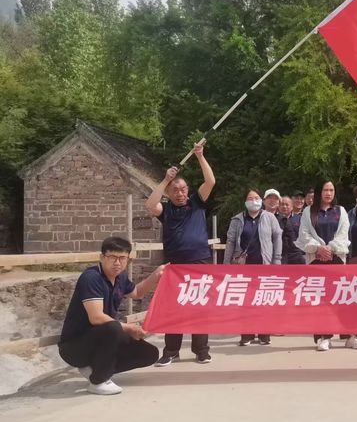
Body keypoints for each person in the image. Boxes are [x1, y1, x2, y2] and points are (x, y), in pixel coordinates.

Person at [58, 237, 164, 395]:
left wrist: (156, 275)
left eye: (122, 258)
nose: (117, 263)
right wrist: (129, 328)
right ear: (102, 257)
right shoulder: (92, 278)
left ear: (128, 259)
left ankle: (96, 369)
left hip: (102, 339)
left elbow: (137, 292)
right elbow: (96, 317)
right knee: (114, 327)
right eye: (112, 257)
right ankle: (98, 381)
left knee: (149, 354)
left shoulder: (120, 278)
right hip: (75, 346)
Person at [145, 141, 215, 366]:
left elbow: (210, 181)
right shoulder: (166, 209)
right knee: (173, 308)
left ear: (188, 190)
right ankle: (171, 351)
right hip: (174, 266)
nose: (180, 193)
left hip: (200, 262)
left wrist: (200, 156)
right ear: (169, 192)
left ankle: (201, 350)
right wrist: (165, 180)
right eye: (175, 190)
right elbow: (150, 204)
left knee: (199, 307)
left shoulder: (196, 203)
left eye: (183, 189)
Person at [295, 180, 357, 351]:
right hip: (316, 260)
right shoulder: (308, 211)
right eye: (325, 190)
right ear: (318, 192)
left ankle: (350, 336)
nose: (328, 193)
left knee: (343, 297)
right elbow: (304, 234)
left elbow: (344, 234)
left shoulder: (340, 211)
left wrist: (330, 248)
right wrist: (318, 248)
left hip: (336, 259)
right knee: (321, 300)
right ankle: (324, 336)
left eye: (331, 190)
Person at [224, 188, 282, 346]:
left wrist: (277, 260)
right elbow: (230, 241)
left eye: (256, 198)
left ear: (261, 200)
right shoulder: (237, 219)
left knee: (264, 299)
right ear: (245, 201)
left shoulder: (269, 217)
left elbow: (277, 237)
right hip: (243, 267)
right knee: (246, 300)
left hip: (264, 265)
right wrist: (226, 264)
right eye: (250, 198)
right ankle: (247, 334)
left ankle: (264, 334)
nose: (253, 201)